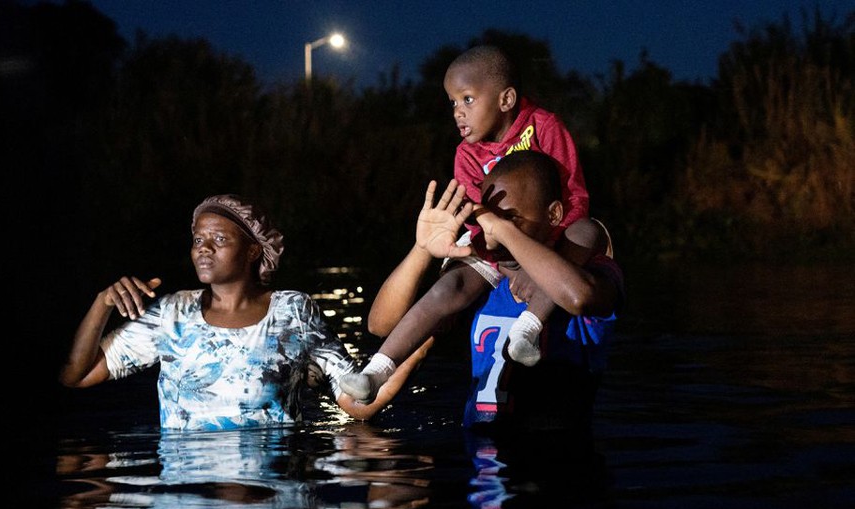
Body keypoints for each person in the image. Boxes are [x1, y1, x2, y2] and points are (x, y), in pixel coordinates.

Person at [341, 45, 593, 403]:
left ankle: (527, 332)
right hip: (495, 247)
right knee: (450, 286)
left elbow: (574, 197)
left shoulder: (544, 127)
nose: (458, 112)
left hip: (545, 242)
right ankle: (376, 370)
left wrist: (537, 261)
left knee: (585, 234)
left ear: (506, 99)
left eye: (468, 99)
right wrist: (508, 266)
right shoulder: (467, 154)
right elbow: (476, 217)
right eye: (453, 103)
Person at [58, 193, 418, 430]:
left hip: (273, 501)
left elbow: (358, 402)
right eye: (198, 239)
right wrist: (102, 303)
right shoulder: (172, 314)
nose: (203, 249)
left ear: (252, 251)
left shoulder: (293, 311)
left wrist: (419, 338)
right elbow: (76, 376)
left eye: (219, 240)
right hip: (188, 506)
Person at [353, 150, 624, 431]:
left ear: (553, 214)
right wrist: (421, 251)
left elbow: (579, 294)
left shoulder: (588, 274)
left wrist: (504, 230)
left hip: (557, 463)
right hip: (483, 464)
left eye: (509, 219)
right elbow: (383, 324)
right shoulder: (481, 281)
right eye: (489, 220)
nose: (493, 232)